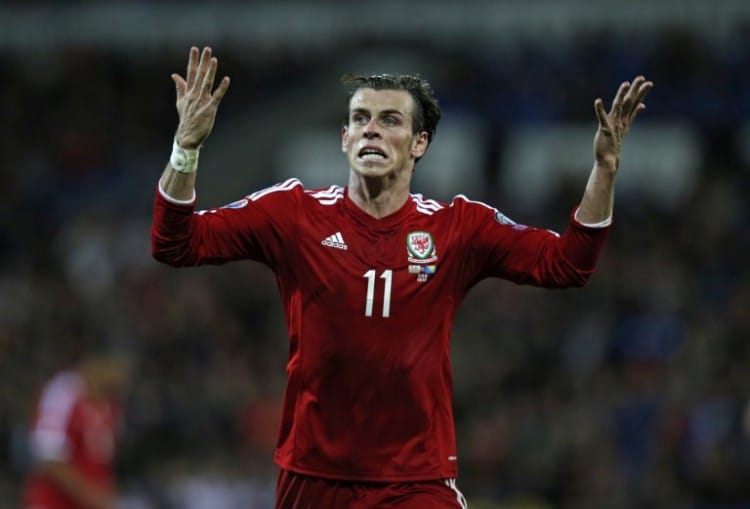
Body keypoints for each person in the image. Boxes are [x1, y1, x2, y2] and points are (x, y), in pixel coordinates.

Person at [151, 46, 653, 508]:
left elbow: (568, 264)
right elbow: (175, 244)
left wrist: (605, 169)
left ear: (419, 143)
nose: (371, 129)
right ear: (344, 138)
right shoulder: (293, 213)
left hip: (416, 481)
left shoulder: (458, 226)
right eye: (359, 119)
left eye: (389, 120)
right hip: (313, 477)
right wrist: (185, 149)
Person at [22, 353, 129, 509]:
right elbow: (49, 456)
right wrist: (88, 495)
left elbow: (102, 460)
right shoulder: (63, 391)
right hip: (52, 502)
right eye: (118, 368)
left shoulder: (112, 403)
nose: (122, 377)